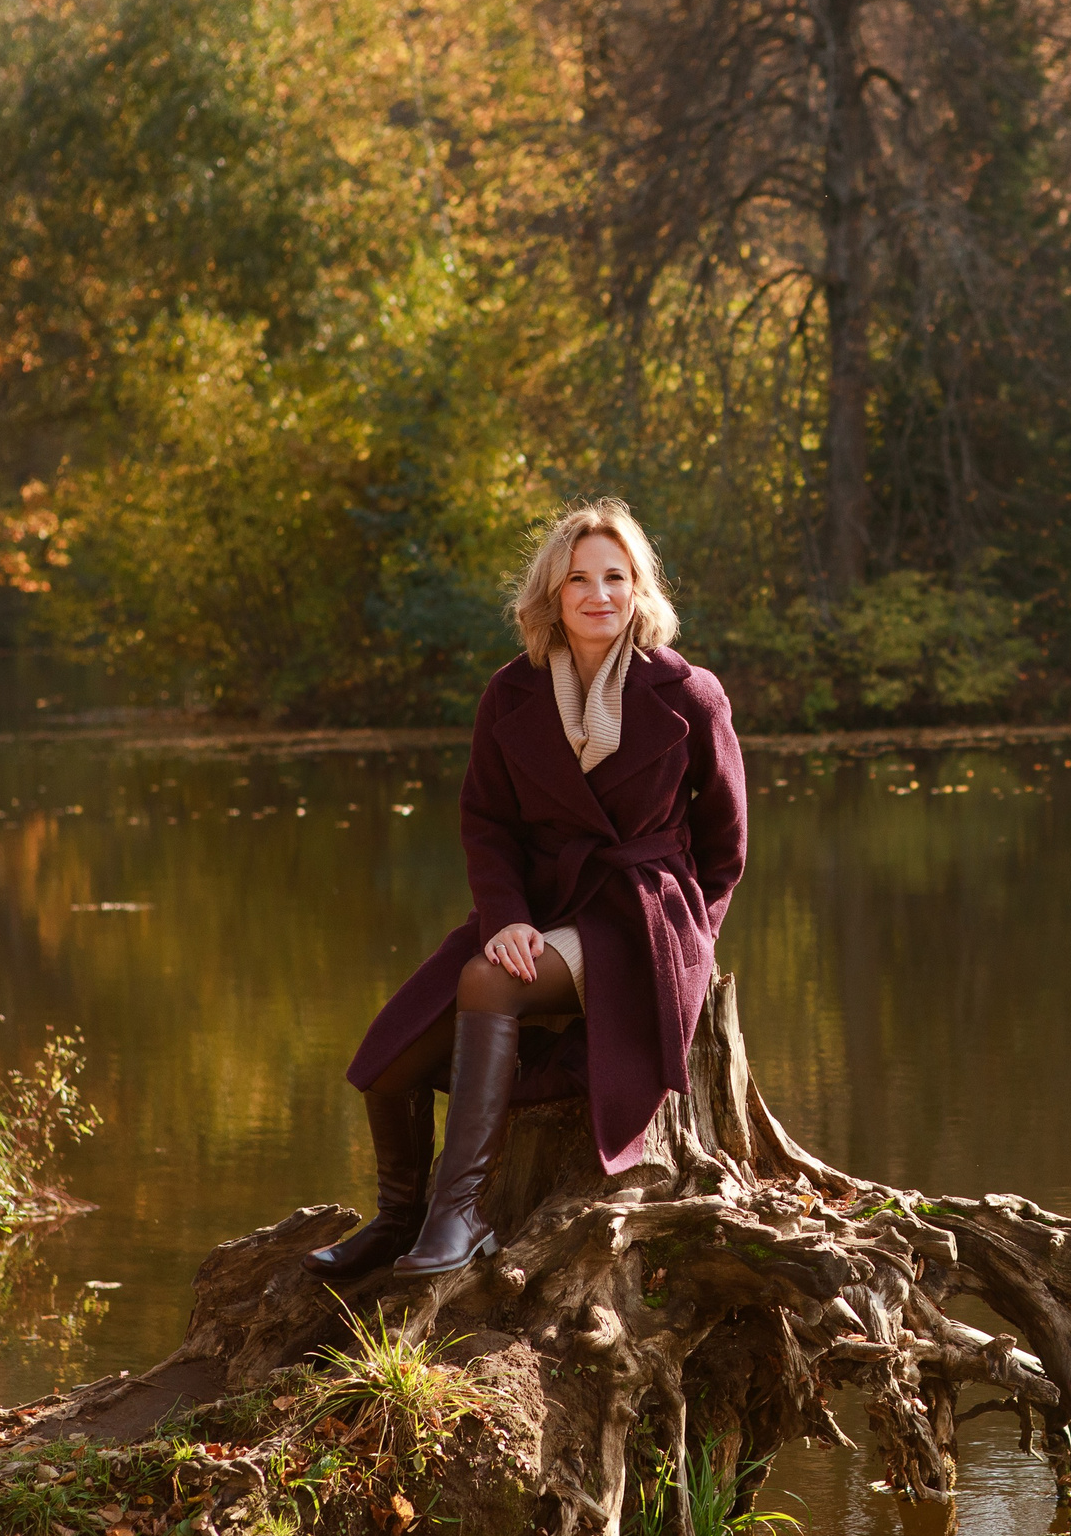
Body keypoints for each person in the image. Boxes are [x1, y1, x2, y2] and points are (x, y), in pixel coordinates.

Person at [305, 498, 747, 1281]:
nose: (598, 593)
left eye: (616, 576)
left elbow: (725, 843)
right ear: (552, 594)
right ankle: (398, 1219)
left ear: (641, 589)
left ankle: (462, 1212)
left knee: (487, 981)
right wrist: (506, 915)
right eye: (579, 578)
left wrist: (692, 944)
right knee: (387, 1060)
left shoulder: (689, 694)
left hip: (639, 917)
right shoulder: (512, 692)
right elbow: (487, 822)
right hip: (540, 905)